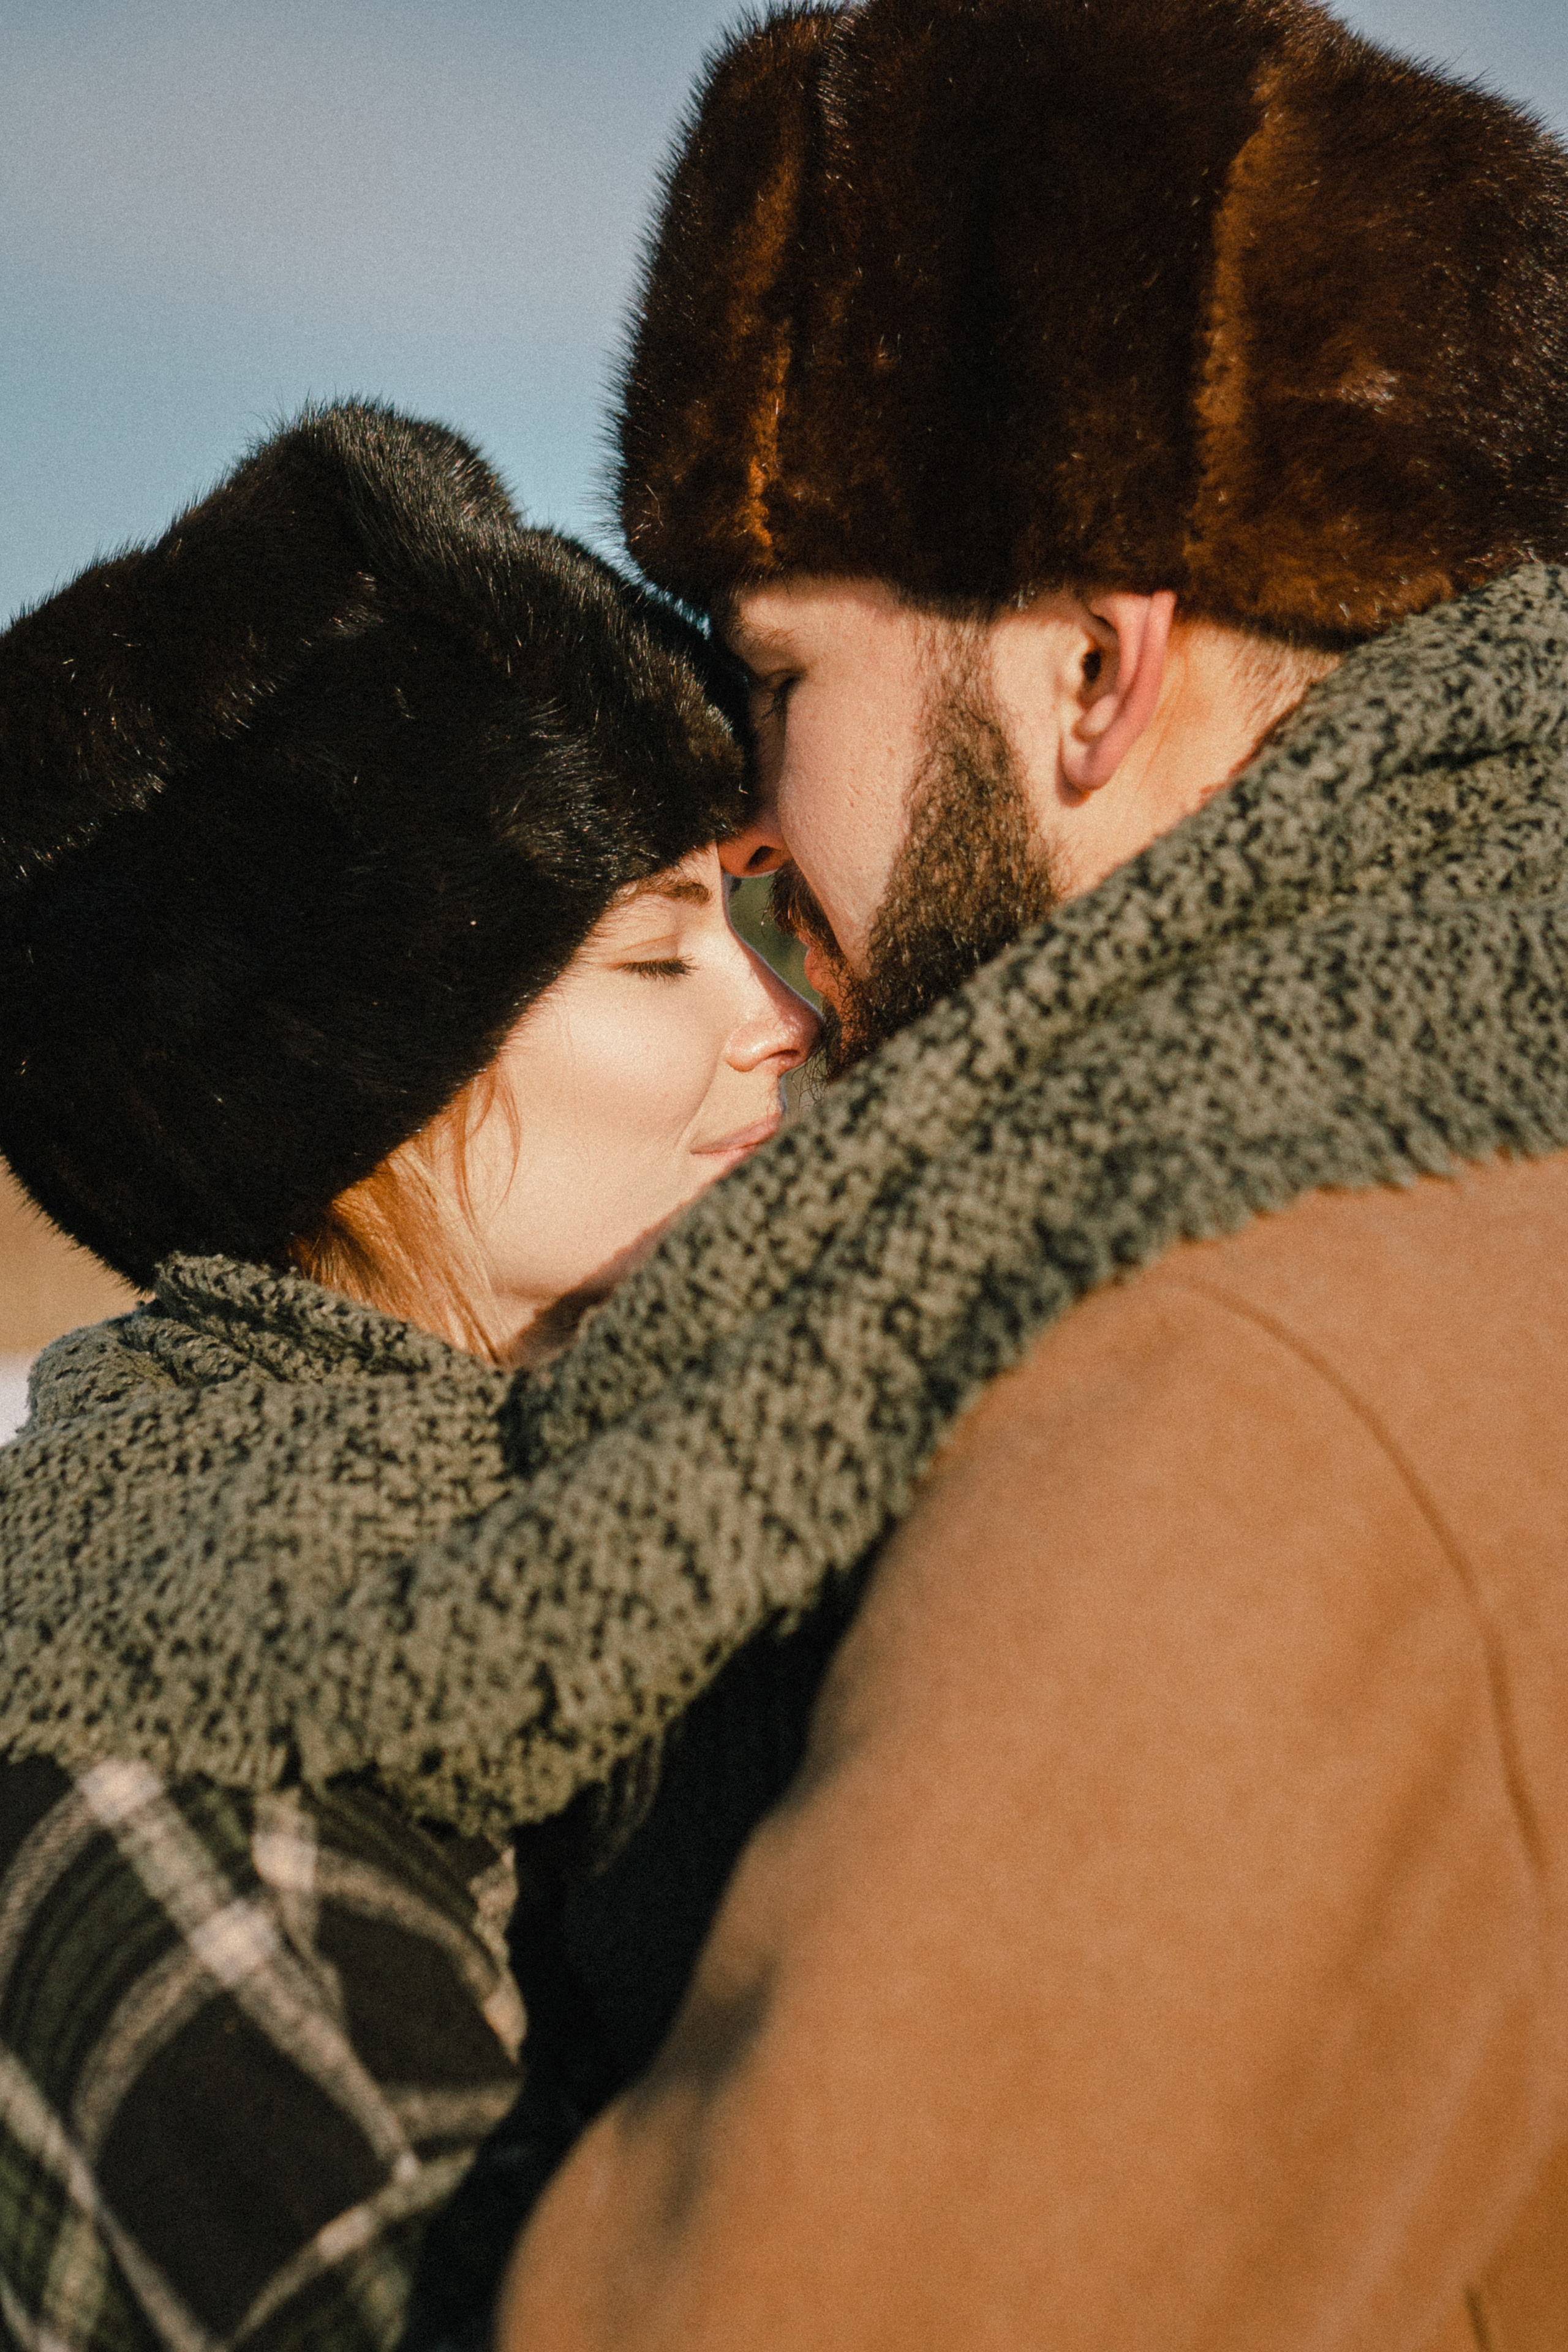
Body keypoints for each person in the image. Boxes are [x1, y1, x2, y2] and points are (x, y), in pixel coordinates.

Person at [483, 1, 1568, 2346]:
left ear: (1092, 664)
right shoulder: (1482, 1137)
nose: (757, 814)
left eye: (777, 676)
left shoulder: (1240, 1379)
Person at [0, 399, 816, 2351]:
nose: (783, 1016)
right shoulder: (174, 1727)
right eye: (652, 957)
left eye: (755, 917)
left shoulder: (608, 1530)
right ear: (353, 1084)